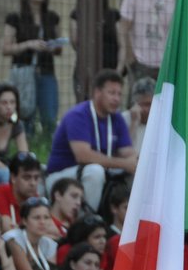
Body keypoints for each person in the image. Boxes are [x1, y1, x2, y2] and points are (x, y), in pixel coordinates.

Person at [44, 70, 135, 216]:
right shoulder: (78, 115)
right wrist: (125, 164)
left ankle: (129, 222)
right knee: (95, 171)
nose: (117, 99)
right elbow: (84, 156)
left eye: (119, 94)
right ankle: (85, 222)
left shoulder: (116, 118)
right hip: (61, 178)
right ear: (97, 92)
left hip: (92, 173)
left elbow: (128, 152)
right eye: (111, 93)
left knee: (136, 172)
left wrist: (133, 162)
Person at [1, 0, 64, 136]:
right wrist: (29, 44)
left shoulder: (52, 18)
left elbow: (59, 49)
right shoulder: (15, 17)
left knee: (49, 117)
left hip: (47, 72)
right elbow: (6, 48)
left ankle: (47, 150)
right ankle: (22, 149)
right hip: (23, 71)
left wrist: (51, 47)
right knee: (23, 116)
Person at [118, 0, 175, 85]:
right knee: (138, 103)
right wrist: (130, 58)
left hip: (163, 67)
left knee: (162, 104)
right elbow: (123, 28)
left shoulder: (172, 3)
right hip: (140, 62)